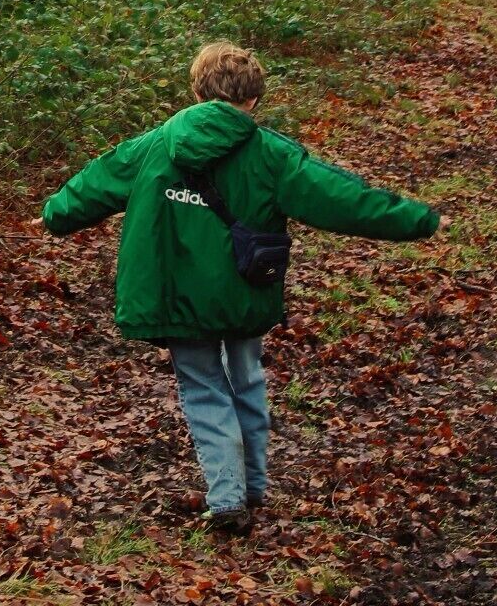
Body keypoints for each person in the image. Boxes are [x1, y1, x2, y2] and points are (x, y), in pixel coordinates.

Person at [40, 41, 443, 535]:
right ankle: (250, 487)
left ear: (196, 91)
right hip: (244, 291)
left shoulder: (155, 145)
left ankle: (228, 498)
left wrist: (54, 215)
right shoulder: (273, 155)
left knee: (203, 385)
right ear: (253, 99)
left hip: (176, 294)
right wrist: (418, 219)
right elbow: (343, 198)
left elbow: (92, 186)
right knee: (246, 378)